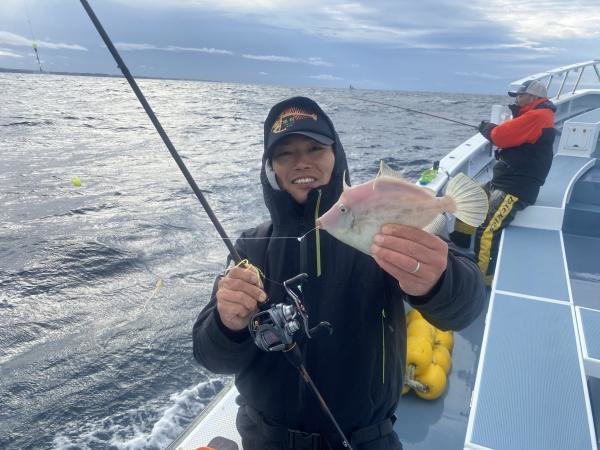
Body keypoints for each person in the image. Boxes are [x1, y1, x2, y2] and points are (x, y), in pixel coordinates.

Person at [193, 96, 486, 450]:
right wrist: (227, 323)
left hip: (366, 440)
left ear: (336, 156)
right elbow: (210, 356)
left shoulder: (381, 227)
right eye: (284, 153)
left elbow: (466, 306)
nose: (301, 162)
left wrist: (439, 280)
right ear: (271, 168)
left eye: (315, 148)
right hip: (265, 439)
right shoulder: (251, 247)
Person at [474, 80, 556, 285]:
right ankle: (460, 242)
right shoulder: (535, 115)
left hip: (516, 187)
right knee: (472, 198)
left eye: (520, 95)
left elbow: (500, 136)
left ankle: (482, 279)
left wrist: (487, 128)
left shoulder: (538, 116)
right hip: (506, 179)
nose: (517, 99)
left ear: (533, 97)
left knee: (488, 228)